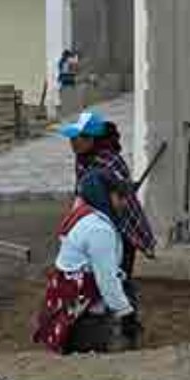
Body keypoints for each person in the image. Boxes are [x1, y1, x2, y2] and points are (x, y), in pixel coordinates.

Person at [59, 111, 158, 340]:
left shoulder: (110, 163)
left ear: (92, 139)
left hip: (121, 228)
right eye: (72, 138)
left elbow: (120, 201)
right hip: (98, 225)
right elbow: (81, 194)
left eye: (77, 138)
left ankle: (127, 325)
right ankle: (113, 320)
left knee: (117, 276)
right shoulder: (83, 160)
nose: (72, 143)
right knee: (104, 277)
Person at [33, 170, 140, 354]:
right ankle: (93, 341)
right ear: (103, 196)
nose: (124, 202)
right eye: (119, 196)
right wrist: (126, 314)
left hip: (67, 299)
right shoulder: (99, 230)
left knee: (124, 289)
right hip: (79, 308)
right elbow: (107, 280)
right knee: (124, 298)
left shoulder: (84, 215)